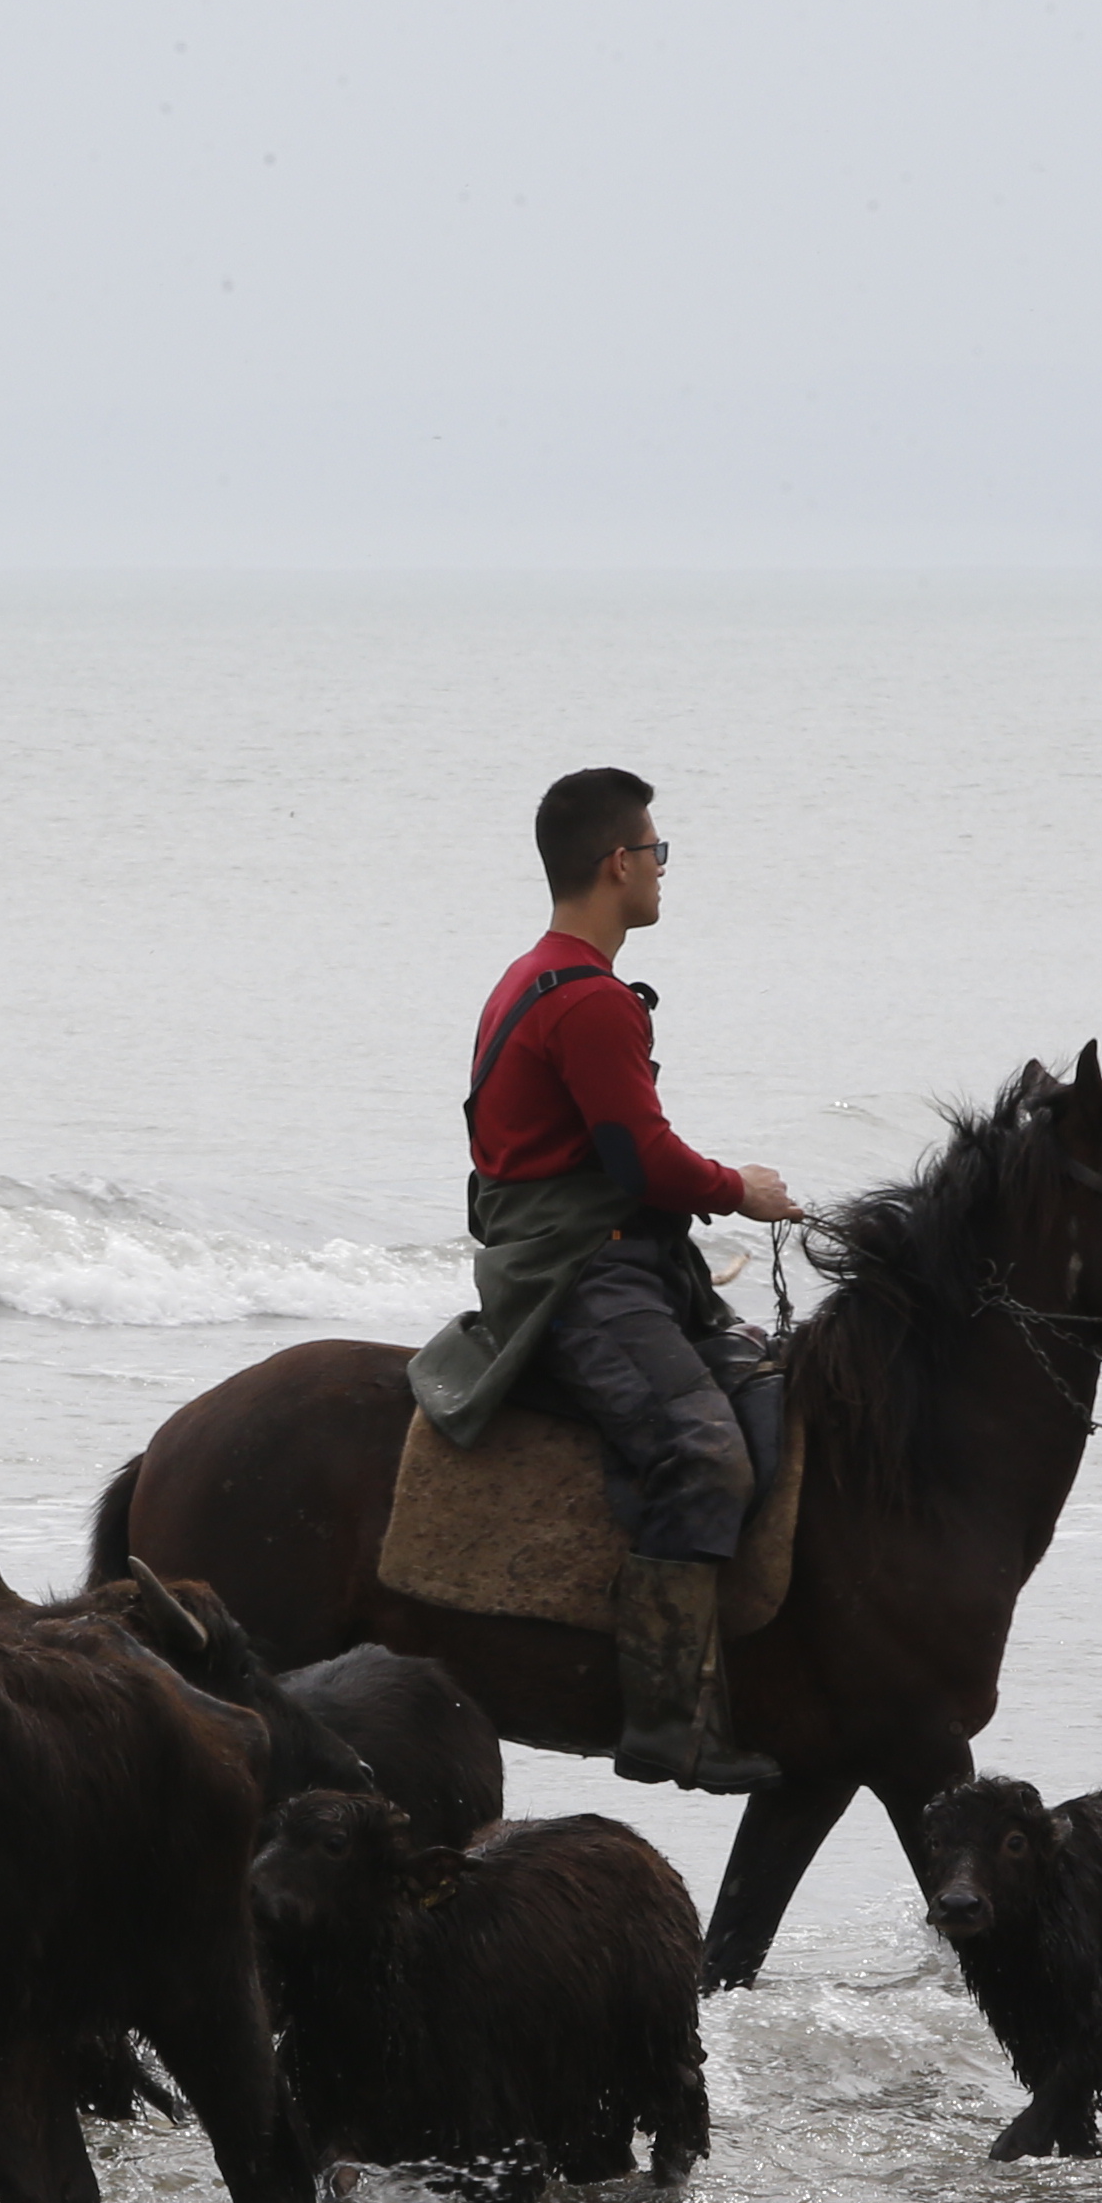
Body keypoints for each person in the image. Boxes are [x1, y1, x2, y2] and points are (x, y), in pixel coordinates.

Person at [405, 766, 805, 1795]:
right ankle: (669, 1722)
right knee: (703, 1450)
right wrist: (743, 1188)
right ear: (617, 863)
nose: (666, 870)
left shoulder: (534, 976)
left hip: (625, 1257)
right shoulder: (586, 1002)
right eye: (658, 852)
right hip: (591, 1278)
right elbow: (645, 1165)